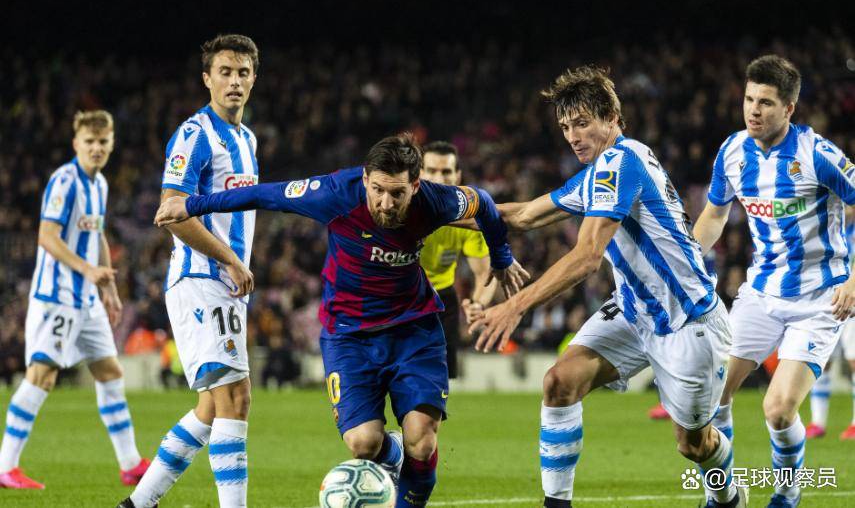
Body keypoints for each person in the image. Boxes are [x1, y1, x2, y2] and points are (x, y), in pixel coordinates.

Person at [154, 132, 528, 507]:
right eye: (377, 190)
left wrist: (501, 257)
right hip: (348, 335)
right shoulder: (333, 193)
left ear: (415, 186)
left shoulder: (436, 200)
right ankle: (394, 454)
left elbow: (484, 203)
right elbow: (265, 194)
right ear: (365, 178)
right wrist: (194, 205)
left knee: (422, 438)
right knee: (364, 443)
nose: (385, 203)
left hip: (414, 329)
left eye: (397, 193)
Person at [469, 66, 745, 508]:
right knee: (559, 382)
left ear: (612, 118)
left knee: (694, 445)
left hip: (687, 323)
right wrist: (436, 208)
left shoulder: (621, 162)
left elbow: (587, 256)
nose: (573, 136)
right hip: (635, 315)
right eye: (565, 127)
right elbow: (522, 216)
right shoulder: (598, 172)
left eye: (582, 123)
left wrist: (515, 305)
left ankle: (728, 495)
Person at [697, 55, 855, 507]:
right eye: (749, 99)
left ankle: (787, 493)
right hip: (761, 293)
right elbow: (714, 214)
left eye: (765, 102)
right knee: (711, 396)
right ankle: (723, 495)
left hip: (820, 300)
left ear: (789, 108)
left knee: (779, 409)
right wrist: (686, 262)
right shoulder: (732, 152)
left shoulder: (817, 154)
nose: (754, 110)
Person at [119, 34, 260, 508]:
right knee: (236, 399)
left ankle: (138, 503)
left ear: (253, 79)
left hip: (226, 285)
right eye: (225, 72)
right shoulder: (195, 134)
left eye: (243, 73)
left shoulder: (247, 139)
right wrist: (230, 259)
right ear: (207, 79)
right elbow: (171, 211)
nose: (234, 81)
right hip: (202, 279)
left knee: (210, 408)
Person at [0, 110, 150, 490]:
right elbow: (47, 236)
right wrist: (87, 270)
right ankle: (5, 466)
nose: (96, 148)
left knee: (110, 372)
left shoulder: (100, 185)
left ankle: (130, 464)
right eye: (90, 142)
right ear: (76, 144)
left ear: (111, 144)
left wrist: (108, 288)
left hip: (86, 298)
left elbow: (96, 235)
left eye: (103, 142)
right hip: (57, 296)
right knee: (42, 376)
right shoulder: (64, 181)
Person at [419, 141, 498, 378]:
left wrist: (478, 304)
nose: (439, 178)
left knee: (439, 380)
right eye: (431, 171)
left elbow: (486, 273)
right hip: (399, 298)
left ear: (458, 176)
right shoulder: (399, 208)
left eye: (446, 171)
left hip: (441, 299)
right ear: (419, 174)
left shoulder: (468, 217)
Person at [804, 208, 855, 441]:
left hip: (853, 297)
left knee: (853, 360)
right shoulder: (828, 226)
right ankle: (817, 422)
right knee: (821, 360)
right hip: (826, 298)